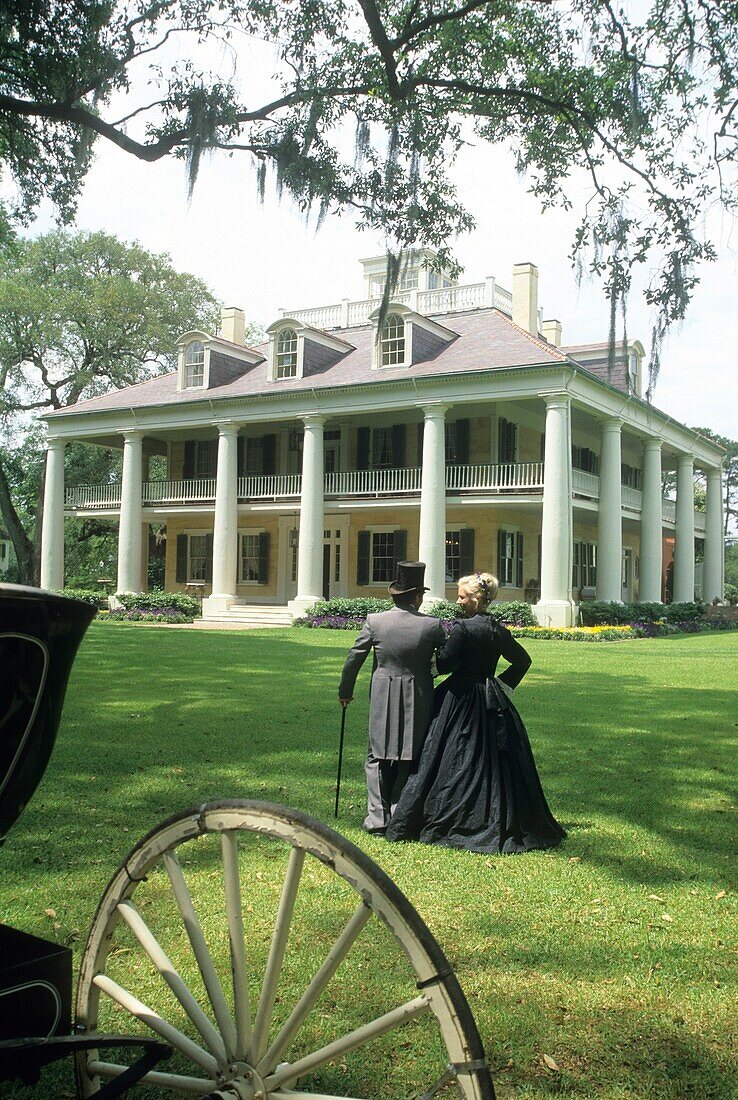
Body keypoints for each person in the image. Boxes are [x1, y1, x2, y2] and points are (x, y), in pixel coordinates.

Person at [386, 571, 566, 854]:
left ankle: (447, 814)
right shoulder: (497, 628)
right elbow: (523, 660)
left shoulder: (462, 628)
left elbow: (445, 665)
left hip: (458, 697)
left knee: (449, 755)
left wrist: (435, 654)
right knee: (494, 760)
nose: (458, 601)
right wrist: (501, 685)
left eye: (462, 597)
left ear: (477, 598)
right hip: (489, 696)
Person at [338, 561, 446, 834]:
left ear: (395, 595)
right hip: (419, 693)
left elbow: (354, 659)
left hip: (383, 690)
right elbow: (448, 658)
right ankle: (400, 812)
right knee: (410, 753)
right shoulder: (433, 626)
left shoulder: (375, 621)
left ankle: (377, 817)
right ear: (418, 596)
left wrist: (345, 692)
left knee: (376, 754)